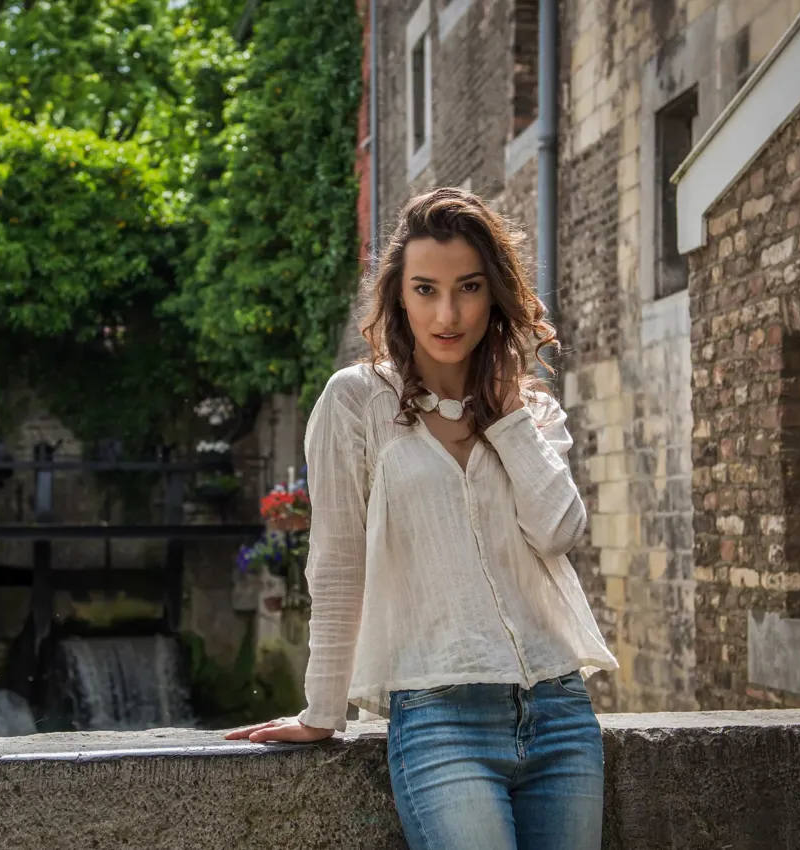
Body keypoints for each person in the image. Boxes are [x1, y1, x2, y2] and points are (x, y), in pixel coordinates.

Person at [226, 187, 618, 849]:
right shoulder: (355, 401)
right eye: (426, 288)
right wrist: (324, 712)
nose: (447, 312)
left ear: (494, 292)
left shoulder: (531, 412)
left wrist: (507, 410)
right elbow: (339, 564)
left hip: (559, 712)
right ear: (399, 296)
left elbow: (559, 532)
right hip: (440, 720)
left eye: (468, 287)